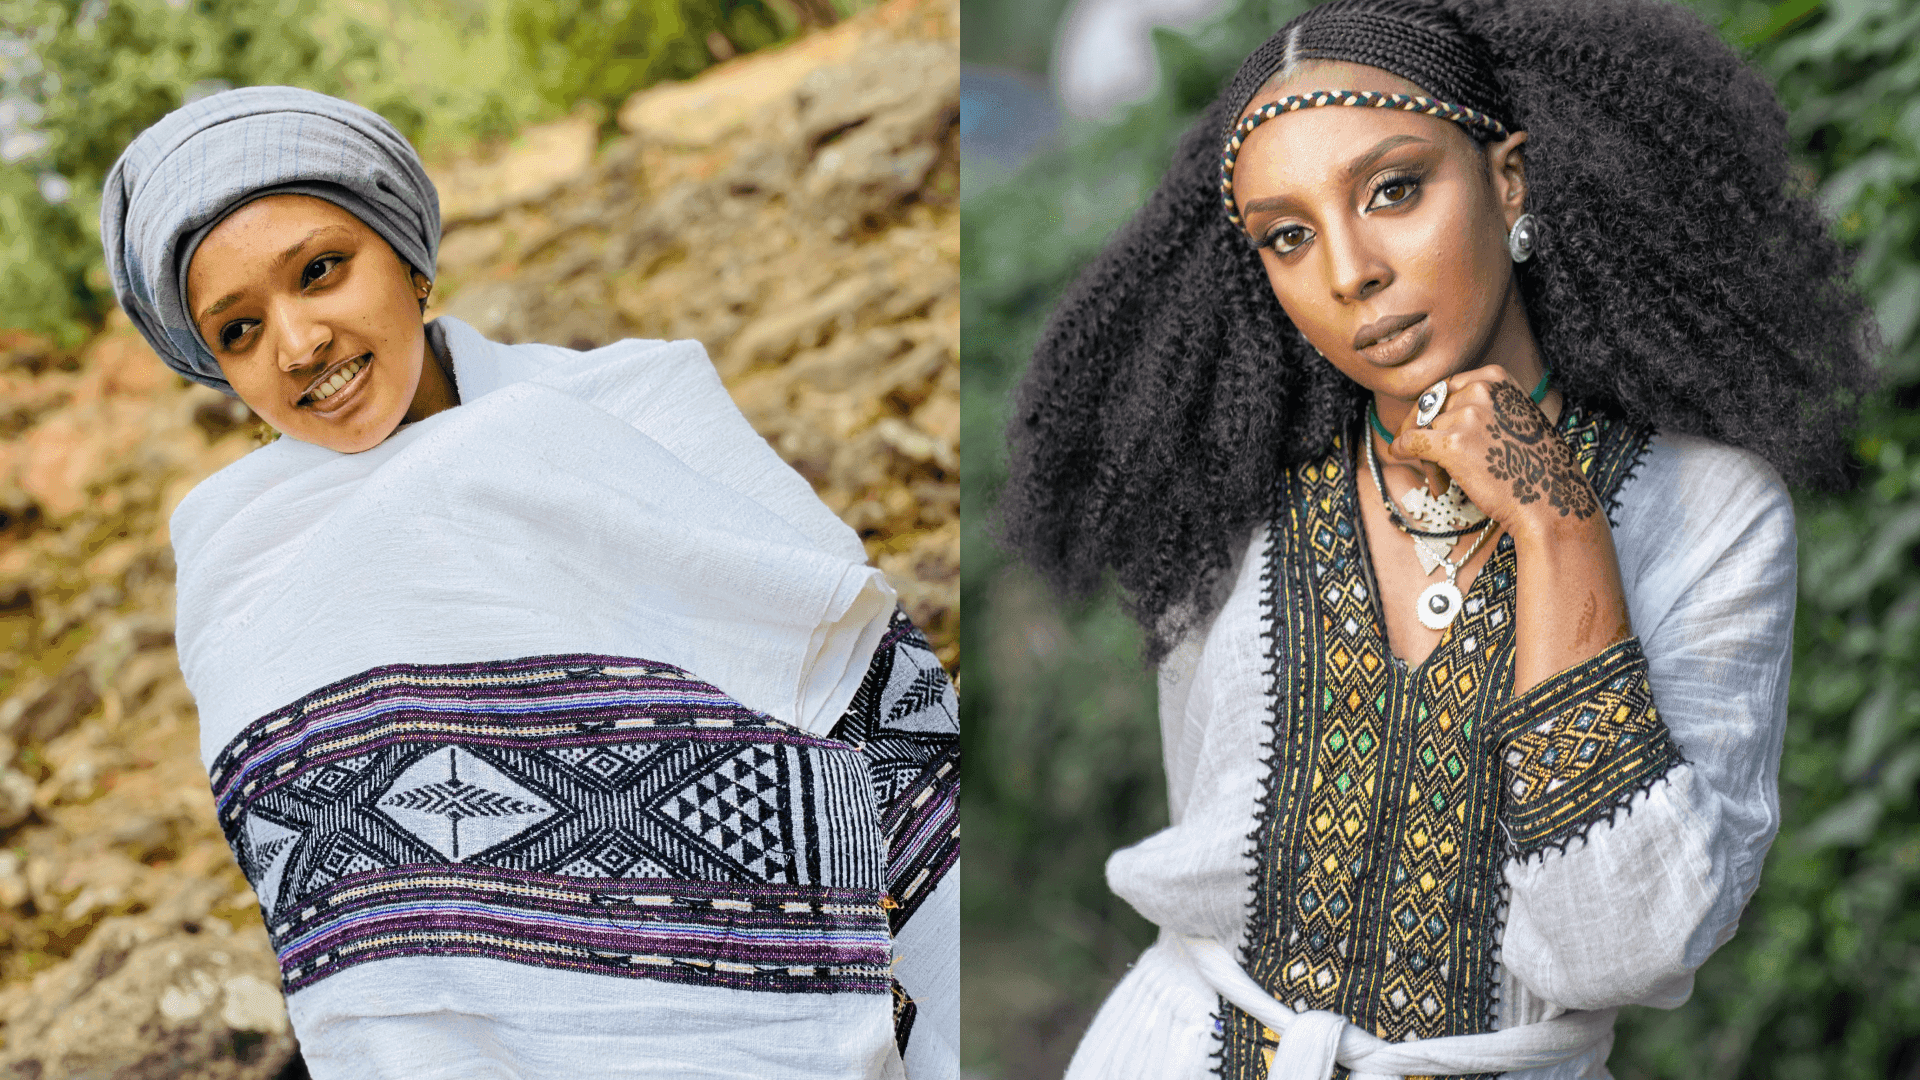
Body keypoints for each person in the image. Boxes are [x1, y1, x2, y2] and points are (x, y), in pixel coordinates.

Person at [1000, 0, 1875, 1076]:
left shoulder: (1708, 512)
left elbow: (1618, 945)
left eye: (1394, 189)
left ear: (1509, 179)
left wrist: (1558, 522)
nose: (1350, 270)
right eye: (1288, 236)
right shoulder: (1228, 497)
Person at [101, 86, 958, 1079]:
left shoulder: (633, 410)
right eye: (241, 331)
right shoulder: (242, 566)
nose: (299, 344)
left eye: (321, 271)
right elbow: (340, 917)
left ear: (407, 256)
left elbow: (878, 709)